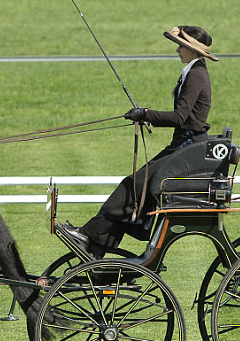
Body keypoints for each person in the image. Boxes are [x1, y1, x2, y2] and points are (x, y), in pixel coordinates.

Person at [58, 25, 218, 258]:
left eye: (181, 46)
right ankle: (97, 243)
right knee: (134, 185)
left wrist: (144, 113)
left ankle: (91, 236)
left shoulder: (196, 75)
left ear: (193, 50)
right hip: (183, 145)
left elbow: (180, 117)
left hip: (188, 147)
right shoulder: (194, 72)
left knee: (133, 184)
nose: (177, 50)